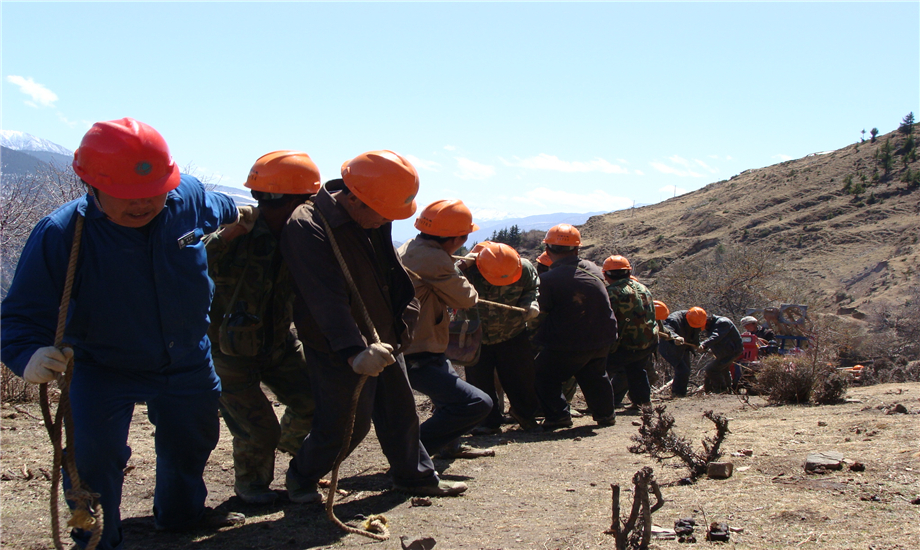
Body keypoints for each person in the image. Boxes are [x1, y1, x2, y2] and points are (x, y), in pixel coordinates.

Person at [0, 118, 244, 550]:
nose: (144, 204)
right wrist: (28, 357)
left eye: (155, 193)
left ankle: (181, 516)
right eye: (129, 196)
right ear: (91, 187)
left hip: (186, 357)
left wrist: (246, 215)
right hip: (101, 366)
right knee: (92, 459)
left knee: (194, 440)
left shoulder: (184, 198)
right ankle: (94, 537)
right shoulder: (60, 235)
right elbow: (18, 317)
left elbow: (218, 207)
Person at [280, 150, 467, 504]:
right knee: (345, 426)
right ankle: (301, 477)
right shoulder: (308, 225)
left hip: (385, 337)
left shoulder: (374, 215)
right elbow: (324, 297)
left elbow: (391, 273)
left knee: (401, 414)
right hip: (339, 344)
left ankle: (415, 476)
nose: (385, 222)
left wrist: (405, 319)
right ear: (354, 198)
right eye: (383, 215)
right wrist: (353, 351)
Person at [205, 151, 319, 505]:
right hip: (228, 351)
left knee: (315, 401)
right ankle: (252, 488)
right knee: (258, 428)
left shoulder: (300, 236)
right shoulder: (236, 232)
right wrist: (228, 233)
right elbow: (190, 260)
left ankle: (287, 450)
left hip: (277, 344)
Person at [397, 199, 494, 459]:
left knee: (449, 398)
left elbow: (433, 273)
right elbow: (466, 298)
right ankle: (410, 453)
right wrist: (457, 269)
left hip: (420, 344)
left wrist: (455, 265)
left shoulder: (413, 246)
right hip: (420, 350)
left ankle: (448, 445)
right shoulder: (435, 259)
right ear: (454, 239)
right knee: (476, 404)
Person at [532, 224, 618, 430]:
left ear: (548, 251)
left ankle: (558, 416)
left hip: (570, 341)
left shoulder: (547, 279)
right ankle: (606, 415)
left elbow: (540, 312)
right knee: (594, 374)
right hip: (603, 337)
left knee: (542, 373)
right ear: (577, 249)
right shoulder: (593, 268)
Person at [459, 241, 542, 433]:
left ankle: (525, 415)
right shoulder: (468, 270)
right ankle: (487, 422)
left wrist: (530, 304)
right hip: (476, 334)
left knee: (522, 378)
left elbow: (532, 289)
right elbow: (442, 276)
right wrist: (463, 265)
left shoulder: (524, 267)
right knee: (479, 382)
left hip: (513, 332)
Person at [602, 255, 658, 411]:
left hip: (624, 345)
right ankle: (643, 404)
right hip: (647, 342)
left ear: (605, 274)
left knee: (598, 369)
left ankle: (602, 406)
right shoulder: (644, 288)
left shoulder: (611, 292)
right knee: (636, 370)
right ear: (628, 272)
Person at [658, 307, 708, 397]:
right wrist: (676, 337)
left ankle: (681, 393)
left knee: (686, 370)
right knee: (682, 370)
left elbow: (695, 333)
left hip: (683, 347)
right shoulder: (674, 319)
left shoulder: (697, 319)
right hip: (670, 347)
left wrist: (697, 345)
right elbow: (667, 329)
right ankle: (677, 394)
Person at [699, 314, 744, 393]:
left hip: (731, 352)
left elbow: (716, 336)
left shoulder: (723, 322)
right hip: (724, 352)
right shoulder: (711, 325)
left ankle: (721, 390)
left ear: (707, 321)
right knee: (723, 370)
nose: (704, 329)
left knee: (711, 369)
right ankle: (728, 390)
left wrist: (704, 344)